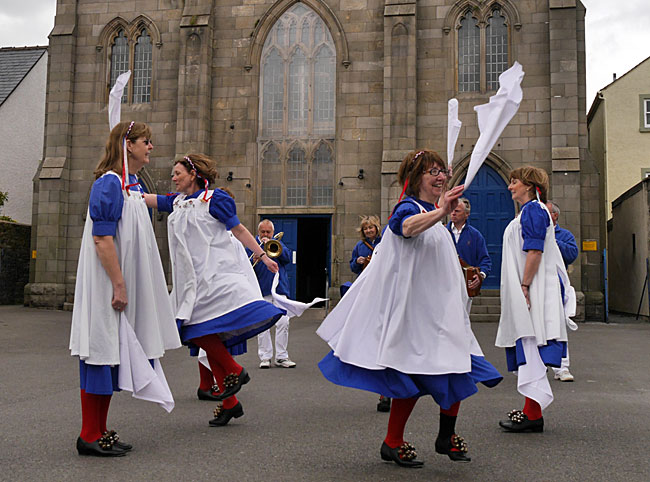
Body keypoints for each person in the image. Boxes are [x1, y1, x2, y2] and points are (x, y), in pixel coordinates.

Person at [317, 149, 502, 468]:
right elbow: (405, 227)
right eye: (433, 172)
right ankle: (393, 442)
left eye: (443, 172)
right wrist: (440, 210)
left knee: (458, 369)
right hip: (417, 317)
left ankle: (443, 437)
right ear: (416, 178)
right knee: (413, 379)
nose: (442, 177)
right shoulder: (410, 208)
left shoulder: (435, 214)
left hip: (442, 314)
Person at [143, 154, 286, 427]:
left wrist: (263, 256)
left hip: (215, 278)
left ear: (193, 174)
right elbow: (147, 199)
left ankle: (233, 370)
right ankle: (231, 402)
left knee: (196, 330)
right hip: (192, 283)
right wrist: (125, 188)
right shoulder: (177, 202)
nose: (173, 177)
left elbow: (240, 230)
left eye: (178, 173)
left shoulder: (215, 199)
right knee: (200, 333)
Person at [70, 121, 182, 457]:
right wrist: (118, 284)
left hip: (119, 286)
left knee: (112, 354)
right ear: (127, 145)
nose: (151, 147)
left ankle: (99, 430)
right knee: (100, 351)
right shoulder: (108, 185)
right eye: (146, 141)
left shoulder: (129, 186)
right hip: (108, 285)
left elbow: (162, 202)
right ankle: (88, 434)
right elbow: (102, 239)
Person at [496, 166, 576, 433]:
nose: (510, 187)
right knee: (530, 345)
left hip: (535, 287)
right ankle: (532, 410)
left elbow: (534, 250)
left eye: (514, 182)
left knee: (532, 343)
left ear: (529, 186)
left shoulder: (533, 210)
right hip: (533, 286)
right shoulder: (531, 211)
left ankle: (533, 414)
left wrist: (525, 285)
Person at [246, 220, 297, 369]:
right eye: (263, 232)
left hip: (279, 290)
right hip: (261, 291)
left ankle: (281, 357)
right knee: (263, 325)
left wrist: (274, 245)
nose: (266, 235)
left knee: (283, 322)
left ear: (272, 233)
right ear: (258, 232)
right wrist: (253, 259)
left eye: (268, 232)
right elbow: (244, 269)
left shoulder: (277, 243)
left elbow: (287, 259)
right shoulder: (250, 246)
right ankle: (265, 357)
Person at [546, 200, 579, 382]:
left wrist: (553, 241)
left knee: (559, 327)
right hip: (538, 285)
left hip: (556, 286)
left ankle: (562, 367)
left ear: (555, 216)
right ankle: (539, 365)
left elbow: (572, 254)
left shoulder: (564, 235)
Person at [445, 198, 491, 299]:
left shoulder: (475, 235)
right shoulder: (442, 233)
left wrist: (480, 276)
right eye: (451, 210)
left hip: (465, 288)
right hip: (444, 286)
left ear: (467, 214)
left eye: (457, 211)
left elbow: (485, 260)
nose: (453, 213)